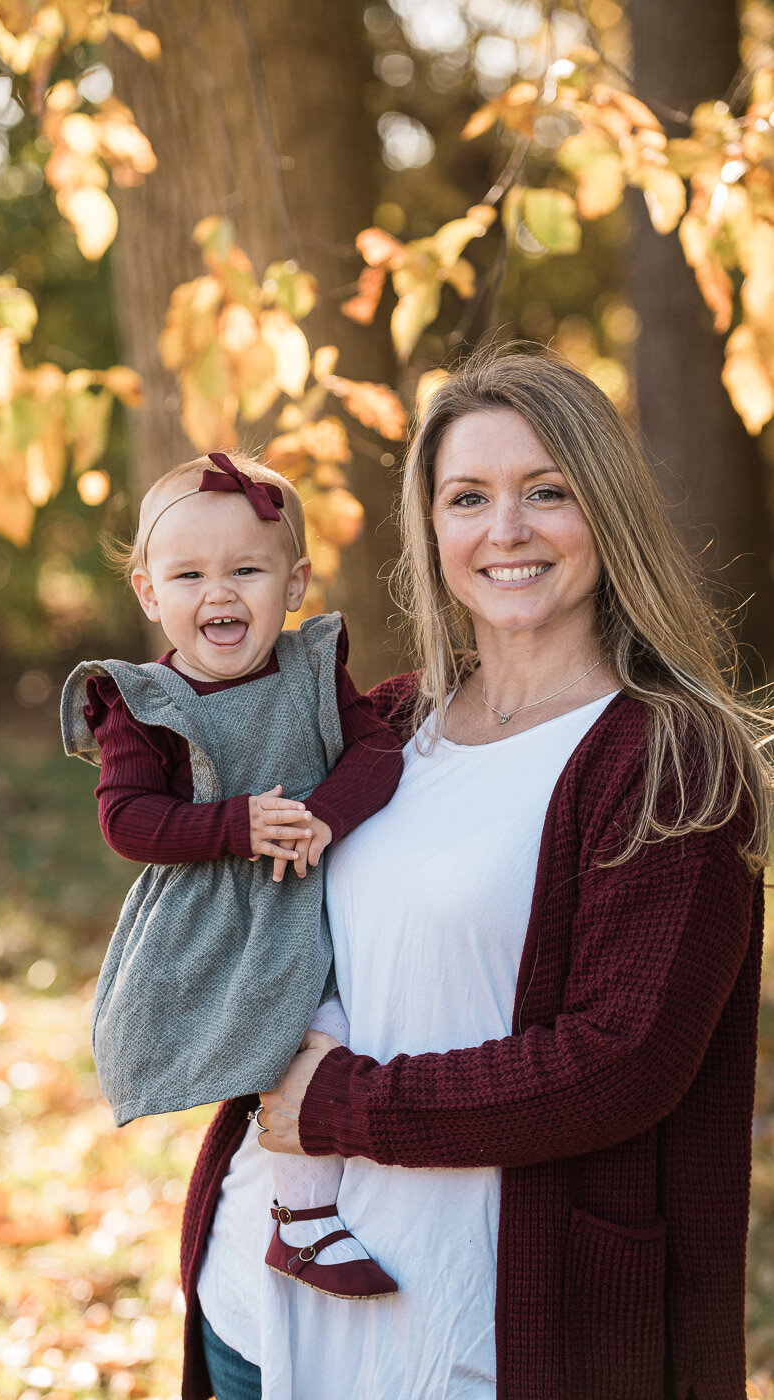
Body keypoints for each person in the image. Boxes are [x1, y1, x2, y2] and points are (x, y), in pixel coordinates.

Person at [178, 350, 771, 1400]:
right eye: (468, 497)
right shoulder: (390, 724)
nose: (507, 529)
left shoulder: (674, 760)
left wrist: (347, 1105)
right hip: (256, 1308)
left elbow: (621, 1059)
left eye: (548, 490)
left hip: (472, 1337)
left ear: (608, 510)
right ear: (434, 527)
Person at [61, 451, 404, 1304]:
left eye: (246, 570)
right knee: (291, 1040)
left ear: (294, 584)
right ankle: (301, 1222)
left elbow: (377, 750)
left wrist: (324, 814)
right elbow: (126, 819)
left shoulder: (312, 669)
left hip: (314, 889)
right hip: (216, 912)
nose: (219, 593)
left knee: (331, 1030)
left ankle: (306, 1213)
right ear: (148, 593)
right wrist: (234, 823)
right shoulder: (141, 701)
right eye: (189, 575)